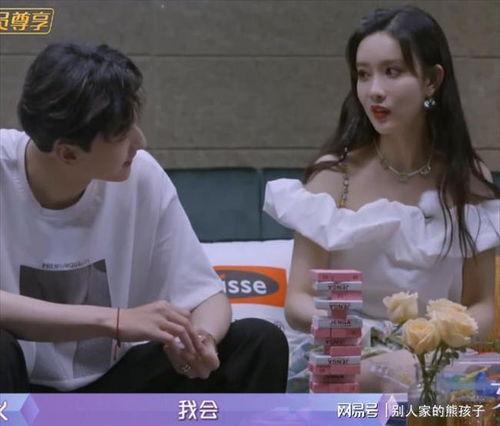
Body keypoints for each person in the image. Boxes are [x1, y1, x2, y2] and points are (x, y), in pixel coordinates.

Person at [0, 43, 288, 393]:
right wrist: (116, 321)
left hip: (113, 386)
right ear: (68, 153)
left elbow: (206, 297)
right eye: (123, 134)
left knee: (258, 342)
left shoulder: (141, 176)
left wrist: (199, 341)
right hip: (19, 390)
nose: (141, 142)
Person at [264, 6, 499, 392]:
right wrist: (373, 340)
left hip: (437, 356)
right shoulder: (334, 176)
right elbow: (299, 302)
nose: (374, 90)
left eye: (392, 71)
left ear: (432, 80)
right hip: (345, 353)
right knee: (393, 375)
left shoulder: (467, 180)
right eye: (363, 74)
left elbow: (482, 305)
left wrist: (429, 343)